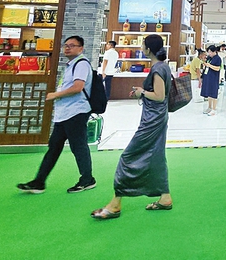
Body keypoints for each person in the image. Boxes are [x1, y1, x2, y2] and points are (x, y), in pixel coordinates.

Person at [91, 34, 173, 220]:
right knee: (157, 156)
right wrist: (142, 92)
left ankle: (115, 203)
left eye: (143, 45)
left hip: (151, 121)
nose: (142, 48)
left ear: (148, 49)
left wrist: (142, 92)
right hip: (158, 118)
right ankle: (165, 197)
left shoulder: (157, 69)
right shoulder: (163, 66)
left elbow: (159, 96)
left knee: (128, 156)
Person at [17, 36, 96, 194]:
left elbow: (78, 87)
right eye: (66, 45)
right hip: (65, 113)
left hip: (76, 111)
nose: (67, 48)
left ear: (81, 48)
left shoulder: (81, 64)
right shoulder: (71, 65)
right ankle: (39, 181)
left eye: (72, 45)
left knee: (78, 146)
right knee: (54, 147)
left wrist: (55, 95)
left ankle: (87, 179)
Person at [200, 45, 222, 116]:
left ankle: (214, 109)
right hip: (207, 77)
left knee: (213, 93)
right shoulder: (209, 58)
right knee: (209, 93)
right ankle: (209, 107)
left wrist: (209, 65)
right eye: (208, 52)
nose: (209, 53)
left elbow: (217, 68)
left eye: (210, 52)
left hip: (214, 78)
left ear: (214, 51)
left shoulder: (218, 58)